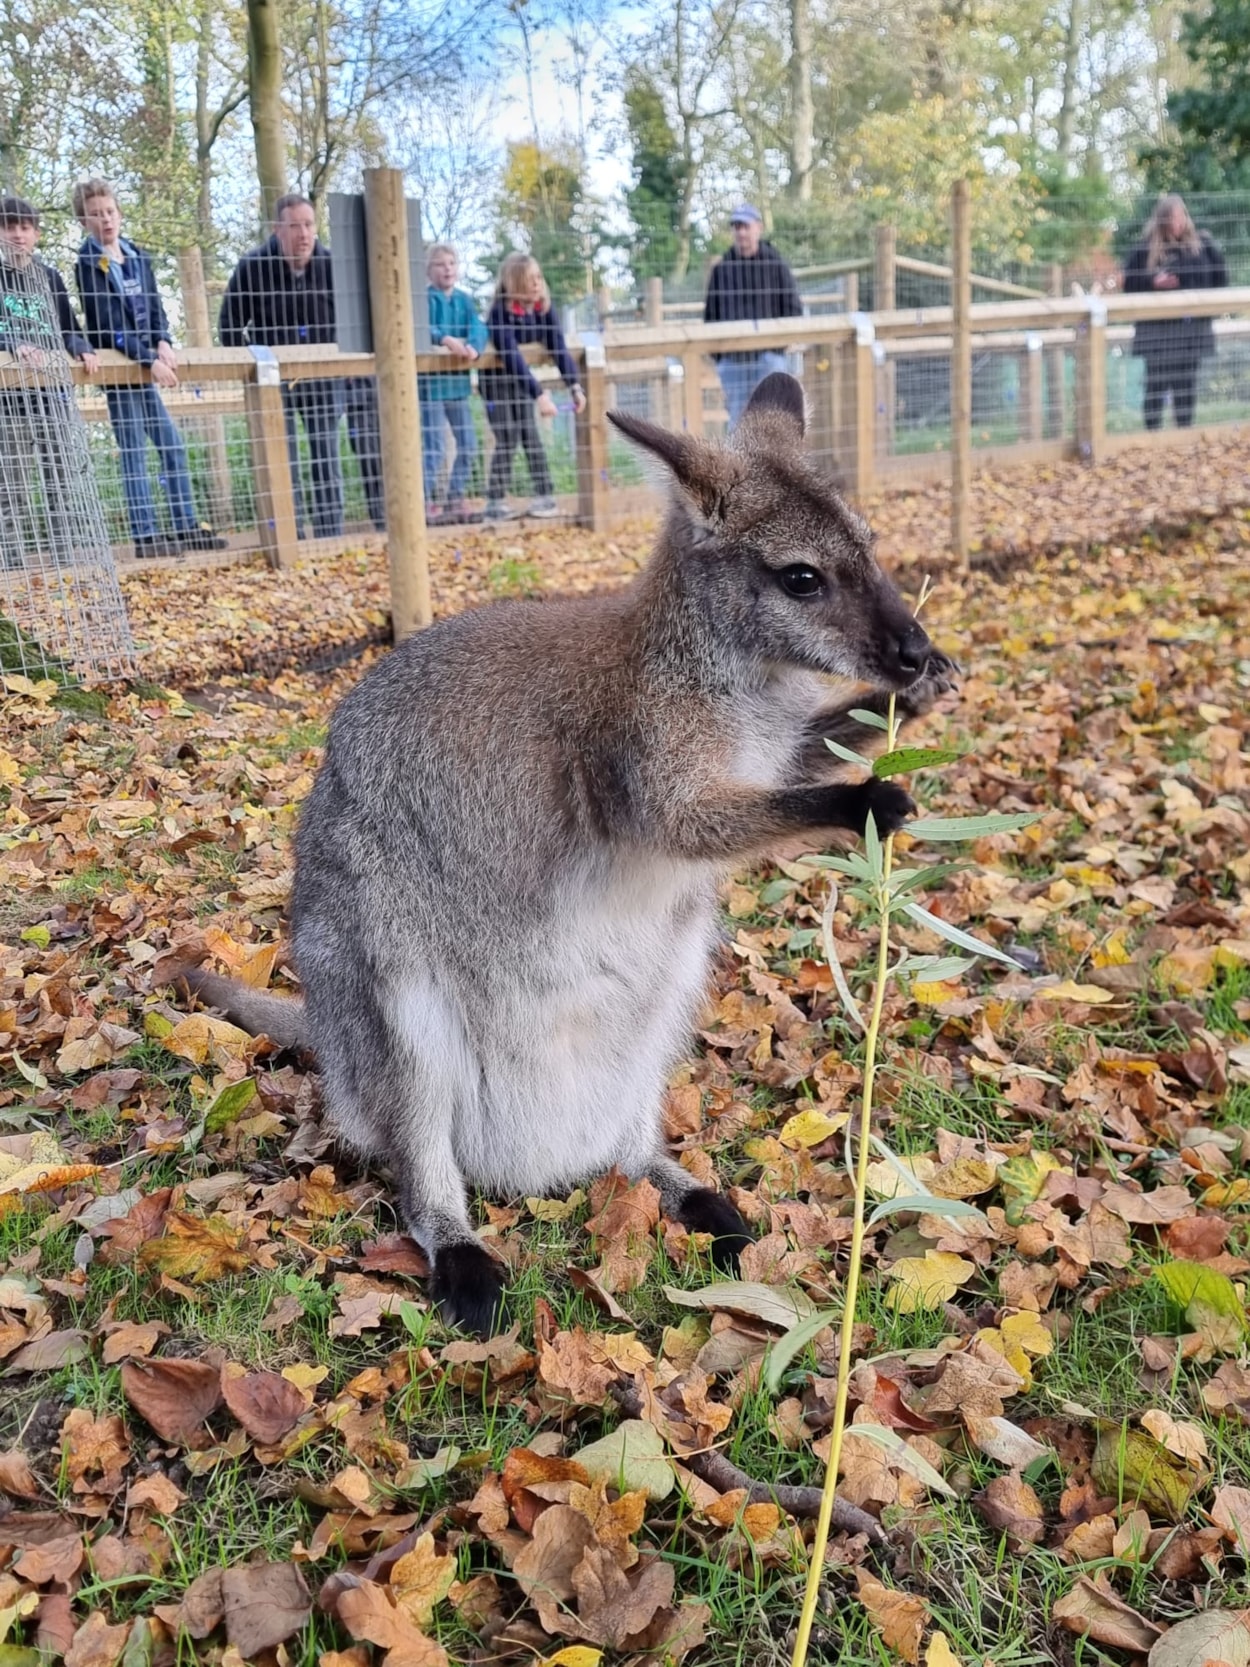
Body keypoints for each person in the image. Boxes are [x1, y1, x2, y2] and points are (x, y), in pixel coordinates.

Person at [73, 177, 226, 558]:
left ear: (119, 213)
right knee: (134, 453)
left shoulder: (136, 254)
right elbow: (108, 326)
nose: (105, 220)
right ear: (83, 222)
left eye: (109, 212)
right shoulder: (88, 263)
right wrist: (150, 360)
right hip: (121, 370)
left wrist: (163, 342)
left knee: (172, 445)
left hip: (146, 363)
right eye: (95, 215)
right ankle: (146, 537)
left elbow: (155, 307)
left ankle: (186, 526)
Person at [219, 193, 344, 539]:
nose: (303, 234)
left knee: (326, 459)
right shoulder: (252, 266)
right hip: (273, 382)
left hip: (324, 379)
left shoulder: (333, 265)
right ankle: (292, 537)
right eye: (294, 226)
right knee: (283, 462)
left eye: (309, 224)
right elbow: (229, 326)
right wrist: (255, 364)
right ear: (277, 229)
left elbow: (352, 322)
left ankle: (330, 535)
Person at [0, 195, 99, 570]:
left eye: (25, 228)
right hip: (9, 402)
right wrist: (12, 344)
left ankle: (63, 560)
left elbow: (68, 329)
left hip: (52, 396)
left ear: (36, 234)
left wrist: (83, 348)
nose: (18, 235)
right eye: (10, 227)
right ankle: (11, 566)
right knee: (12, 489)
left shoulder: (49, 276)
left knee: (60, 482)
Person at [481, 252, 585, 523]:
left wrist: (574, 385)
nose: (537, 283)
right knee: (507, 436)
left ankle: (545, 496)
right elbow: (511, 357)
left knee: (530, 434)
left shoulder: (543, 309)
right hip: (496, 383)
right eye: (530, 279)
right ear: (515, 283)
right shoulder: (500, 313)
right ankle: (495, 501)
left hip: (522, 383)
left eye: (538, 277)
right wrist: (539, 394)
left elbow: (558, 348)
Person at [1123, 194, 1228, 431]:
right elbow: (1128, 284)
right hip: (1157, 334)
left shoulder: (1201, 246)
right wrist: (1153, 282)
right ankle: (1153, 437)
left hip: (1191, 333)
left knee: (1186, 386)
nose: (1178, 222)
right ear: (1162, 219)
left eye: (1181, 216)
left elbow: (1220, 280)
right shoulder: (1145, 248)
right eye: (1172, 217)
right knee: (1156, 386)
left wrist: (1214, 250)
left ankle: (1184, 436)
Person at [703, 204, 803, 431]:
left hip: (768, 357)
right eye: (736, 227)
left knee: (772, 417)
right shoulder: (722, 269)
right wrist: (721, 357)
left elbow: (793, 308)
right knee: (737, 419)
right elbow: (710, 316)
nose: (741, 232)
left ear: (758, 228)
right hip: (733, 361)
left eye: (745, 226)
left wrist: (777, 347)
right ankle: (736, 467)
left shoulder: (775, 265)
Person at [422, 243, 488, 525]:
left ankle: (454, 498)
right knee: (434, 448)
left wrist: (474, 346)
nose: (447, 268)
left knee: (469, 444)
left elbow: (479, 326)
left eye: (451, 263)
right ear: (429, 270)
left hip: (458, 388)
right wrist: (444, 339)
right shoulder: (425, 299)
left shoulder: (464, 300)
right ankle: (422, 503)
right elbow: (421, 327)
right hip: (431, 390)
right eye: (440, 264)